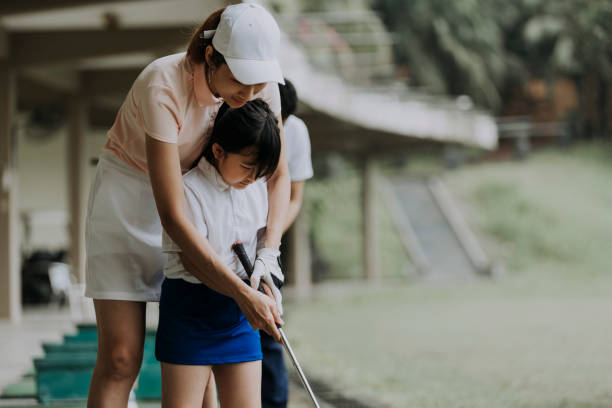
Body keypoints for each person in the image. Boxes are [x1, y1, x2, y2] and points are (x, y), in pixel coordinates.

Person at [84, 4, 289, 407]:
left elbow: (277, 174)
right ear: (211, 57)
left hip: (205, 199)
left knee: (202, 362)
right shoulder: (162, 82)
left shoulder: (261, 86)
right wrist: (241, 294)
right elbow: (172, 216)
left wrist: (269, 252)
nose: (249, 95)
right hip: (132, 198)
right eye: (241, 82)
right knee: (122, 357)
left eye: (258, 83)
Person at [156, 99, 281, 408]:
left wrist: (265, 268)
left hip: (238, 315)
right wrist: (244, 294)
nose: (253, 179)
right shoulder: (189, 190)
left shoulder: (253, 188)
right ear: (218, 151)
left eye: (261, 172)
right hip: (190, 309)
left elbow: (263, 234)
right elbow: (193, 261)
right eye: (248, 168)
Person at [260, 78, 314, 408]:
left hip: (268, 245)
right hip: (230, 240)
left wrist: (270, 240)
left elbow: (294, 197)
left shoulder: (296, 131)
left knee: (271, 336)